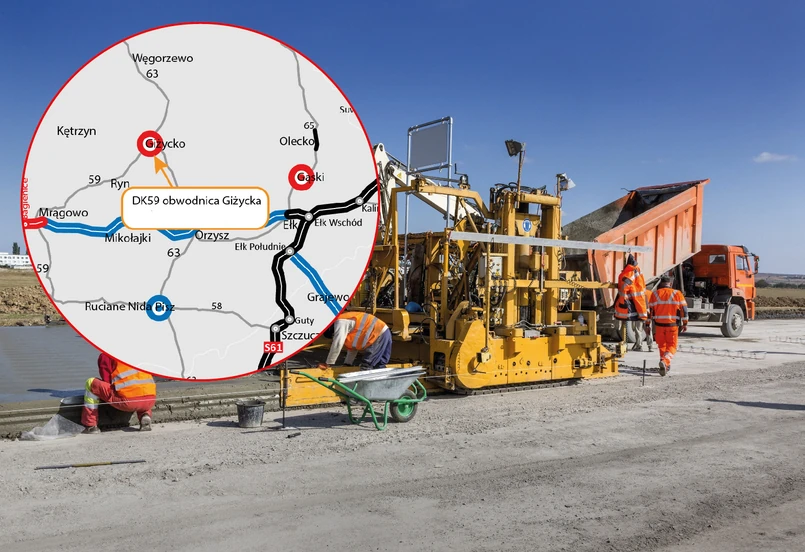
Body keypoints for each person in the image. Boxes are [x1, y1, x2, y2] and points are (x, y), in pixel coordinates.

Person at [82, 352, 157, 434]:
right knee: (139, 388)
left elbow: (107, 380)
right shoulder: (139, 351)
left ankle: (91, 425)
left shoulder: (107, 354)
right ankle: (145, 415)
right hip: (150, 400)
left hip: (128, 402)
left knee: (91, 383)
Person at [646, 273, 689, 376]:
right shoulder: (677, 293)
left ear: (661, 283)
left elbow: (649, 311)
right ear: (670, 283)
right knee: (672, 346)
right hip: (672, 325)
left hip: (659, 326)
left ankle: (665, 365)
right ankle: (665, 361)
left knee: (662, 346)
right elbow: (684, 309)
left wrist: (647, 325)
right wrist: (685, 323)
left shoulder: (655, 294)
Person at [320, 311, 392, 370]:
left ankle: (363, 383)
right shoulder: (347, 322)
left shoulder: (340, 322)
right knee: (379, 366)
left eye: (333, 335)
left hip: (377, 334)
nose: (334, 336)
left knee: (366, 366)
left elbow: (338, 343)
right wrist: (347, 364)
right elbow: (353, 347)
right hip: (384, 332)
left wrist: (328, 363)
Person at [614, 253, 648, 351]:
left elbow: (625, 287)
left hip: (633, 301)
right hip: (639, 301)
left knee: (631, 323)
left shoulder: (629, 273)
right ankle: (639, 345)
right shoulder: (637, 271)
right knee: (639, 324)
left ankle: (638, 345)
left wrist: (622, 299)